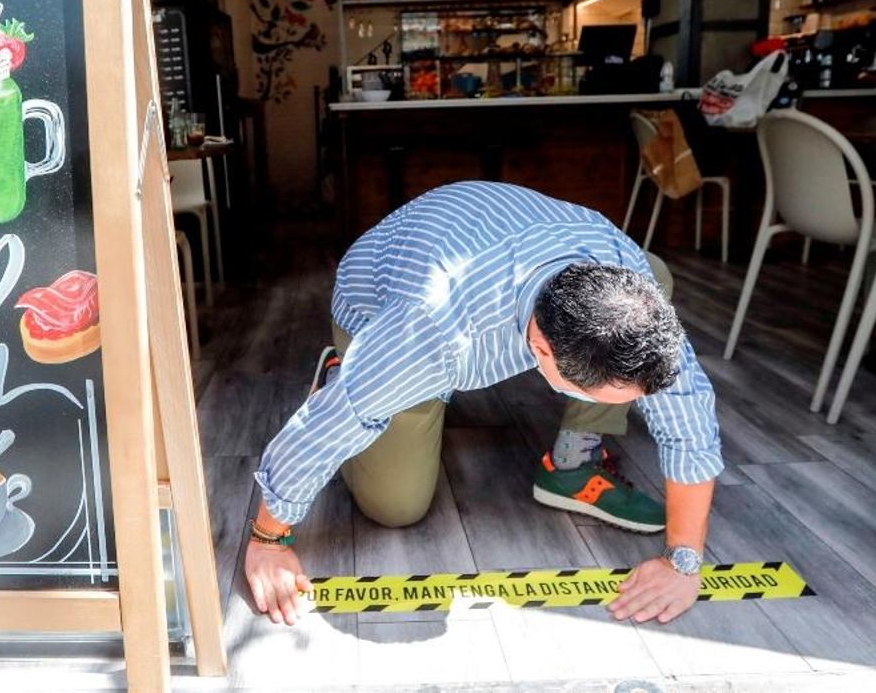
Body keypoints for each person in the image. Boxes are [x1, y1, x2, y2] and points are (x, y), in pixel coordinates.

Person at [245, 182, 722, 626]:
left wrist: (683, 561)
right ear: (540, 351)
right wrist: (268, 540)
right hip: (378, 301)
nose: (643, 404)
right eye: (609, 396)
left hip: (493, 261)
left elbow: (689, 419)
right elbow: (330, 424)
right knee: (396, 505)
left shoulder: (628, 279)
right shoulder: (425, 330)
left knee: (657, 271)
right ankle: (342, 368)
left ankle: (574, 458)